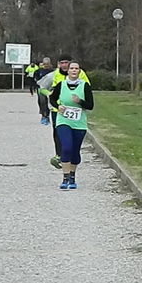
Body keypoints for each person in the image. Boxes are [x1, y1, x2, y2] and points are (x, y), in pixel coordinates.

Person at [49, 61, 94, 190]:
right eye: (72, 68)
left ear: (79, 71)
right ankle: (65, 177)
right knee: (66, 147)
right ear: (67, 71)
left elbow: (90, 105)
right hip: (63, 121)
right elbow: (52, 99)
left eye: (76, 69)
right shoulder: (61, 85)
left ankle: (73, 176)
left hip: (79, 123)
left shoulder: (85, 86)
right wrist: (58, 106)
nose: (74, 70)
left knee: (75, 151)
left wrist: (79, 101)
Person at [42, 54, 90, 169]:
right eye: (61, 62)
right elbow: (42, 88)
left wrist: (80, 100)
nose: (64, 65)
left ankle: (69, 155)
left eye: (66, 62)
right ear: (58, 64)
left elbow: (87, 88)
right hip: (58, 109)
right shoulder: (54, 75)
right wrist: (50, 95)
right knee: (59, 132)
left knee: (73, 135)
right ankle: (60, 155)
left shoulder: (81, 74)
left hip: (76, 110)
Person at [34, 58, 53, 125]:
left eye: (47, 64)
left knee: (48, 103)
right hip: (41, 89)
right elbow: (36, 79)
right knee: (42, 102)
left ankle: (46, 116)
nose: (46, 66)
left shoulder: (52, 71)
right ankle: (43, 115)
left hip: (50, 89)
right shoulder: (38, 71)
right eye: (44, 64)